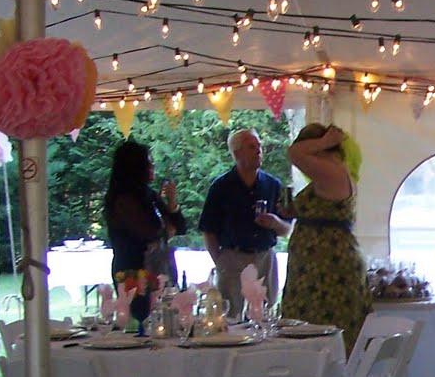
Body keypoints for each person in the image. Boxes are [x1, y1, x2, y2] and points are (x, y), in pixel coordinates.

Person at [279, 122, 372, 347]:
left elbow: (293, 153)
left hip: (324, 266)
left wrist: (324, 141)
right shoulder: (334, 173)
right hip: (322, 261)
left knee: (316, 328)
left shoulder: (331, 169)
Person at [198, 127, 290, 318]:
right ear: (237, 153)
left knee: (265, 315)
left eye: (259, 146)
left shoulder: (273, 185)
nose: (259, 150)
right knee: (231, 316)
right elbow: (208, 230)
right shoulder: (221, 187)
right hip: (233, 257)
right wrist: (221, 261)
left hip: (265, 258)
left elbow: (288, 228)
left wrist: (274, 223)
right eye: (251, 146)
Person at [103, 139, 186, 286]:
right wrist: (166, 229)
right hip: (133, 272)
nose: (152, 166)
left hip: (159, 267)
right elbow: (150, 233)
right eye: (148, 162)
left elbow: (179, 228)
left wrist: (172, 202)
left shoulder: (149, 194)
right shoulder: (123, 199)